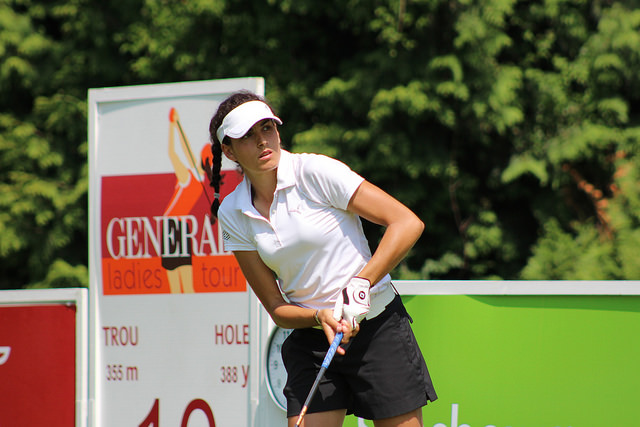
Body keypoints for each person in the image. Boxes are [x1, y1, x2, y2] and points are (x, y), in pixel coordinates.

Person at [205, 91, 437, 427]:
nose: (262, 141)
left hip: (377, 330)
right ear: (229, 151)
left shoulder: (315, 171)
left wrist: (361, 282)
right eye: (248, 137)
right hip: (312, 342)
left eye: (267, 129)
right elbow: (276, 308)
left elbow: (407, 223)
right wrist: (319, 316)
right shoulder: (232, 212)